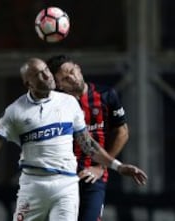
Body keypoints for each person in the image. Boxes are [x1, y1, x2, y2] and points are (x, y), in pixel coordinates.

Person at [0, 58, 147, 221]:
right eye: (38, 74)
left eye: (46, 71)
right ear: (27, 82)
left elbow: (87, 143)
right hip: (33, 186)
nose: (46, 76)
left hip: (66, 185)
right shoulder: (15, 111)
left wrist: (118, 167)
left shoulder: (68, 103)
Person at [46, 54, 129, 221]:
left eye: (71, 71)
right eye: (64, 78)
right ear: (59, 85)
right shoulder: (54, 105)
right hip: (61, 177)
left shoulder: (106, 95)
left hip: (93, 177)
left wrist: (101, 166)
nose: (71, 77)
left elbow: (122, 132)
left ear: (78, 68)